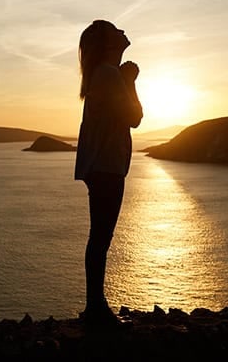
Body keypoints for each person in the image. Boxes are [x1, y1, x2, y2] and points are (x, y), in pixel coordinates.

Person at [74, 19, 143, 327]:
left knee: (99, 236)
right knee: (101, 237)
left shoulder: (103, 74)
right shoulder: (108, 74)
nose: (122, 30)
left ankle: (95, 306)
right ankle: (95, 309)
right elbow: (134, 117)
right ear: (108, 43)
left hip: (102, 164)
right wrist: (130, 80)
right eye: (115, 29)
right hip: (106, 165)